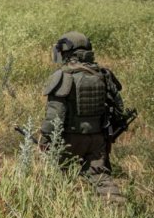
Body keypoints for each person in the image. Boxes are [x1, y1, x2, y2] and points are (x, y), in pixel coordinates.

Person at [40, 31, 124, 203]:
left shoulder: (64, 76)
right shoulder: (103, 75)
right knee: (101, 179)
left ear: (66, 51)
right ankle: (117, 211)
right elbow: (118, 108)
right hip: (97, 139)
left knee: (57, 178)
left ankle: (64, 211)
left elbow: (55, 114)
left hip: (70, 139)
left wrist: (46, 139)